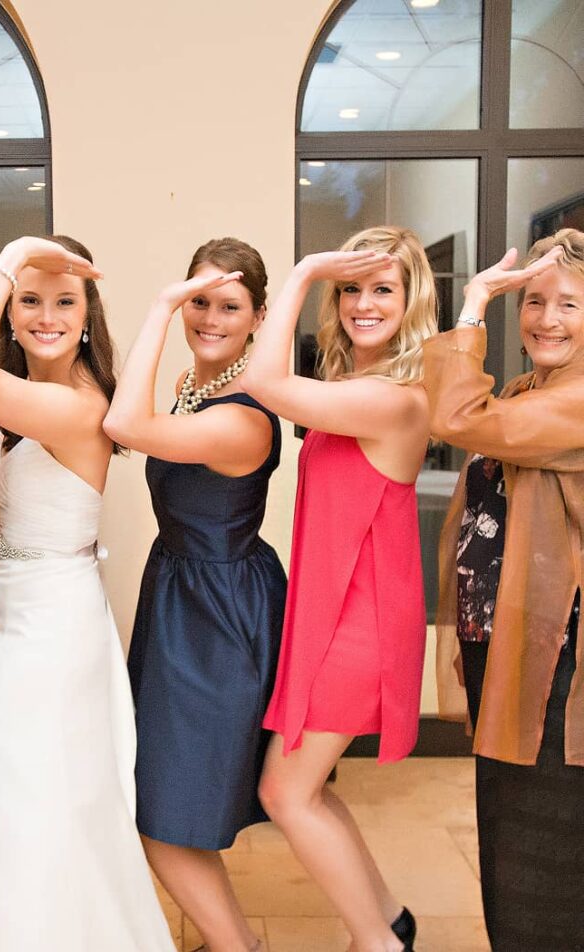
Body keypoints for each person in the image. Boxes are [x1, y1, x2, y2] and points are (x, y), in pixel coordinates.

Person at [0, 235, 176, 951]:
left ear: (87, 317)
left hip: (53, 629)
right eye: (30, 300)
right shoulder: (27, 407)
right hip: (15, 618)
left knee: (25, 797)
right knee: (4, 788)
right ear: (10, 317)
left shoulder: (77, 406)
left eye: (64, 301)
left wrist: (16, 252)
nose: (46, 316)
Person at [245, 226, 437, 952]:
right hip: (335, 612)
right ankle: (389, 923)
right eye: (350, 288)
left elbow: (265, 383)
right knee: (309, 789)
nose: (363, 303)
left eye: (383, 288)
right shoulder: (354, 389)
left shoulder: (395, 400)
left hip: (360, 624)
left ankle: (378, 944)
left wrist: (302, 273)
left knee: (284, 793)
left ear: (412, 301)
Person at [103, 238, 286, 952]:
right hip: (180, 596)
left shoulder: (242, 416)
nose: (210, 318)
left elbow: (125, 426)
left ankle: (236, 947)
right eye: (197, 301)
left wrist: (158, 308)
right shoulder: (192, 384)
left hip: (218, 617)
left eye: (229, 306)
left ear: (259, 317)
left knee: (164, 812)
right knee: (171, 807)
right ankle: (235, 942)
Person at [427, 229, 582, 951]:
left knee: (544, 857)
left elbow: (458, 417)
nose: (547, 319)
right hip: (512, 647)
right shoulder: (529, 391)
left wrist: (475, 303)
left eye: (569, 304)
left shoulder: (573, 402)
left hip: (560, 665)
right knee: (504, 837)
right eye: (535, 302)